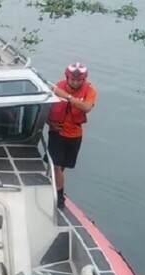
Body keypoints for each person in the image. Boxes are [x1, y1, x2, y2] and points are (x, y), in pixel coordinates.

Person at [46, 62, 97, 208]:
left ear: (84, 79)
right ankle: (59, 198)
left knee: (61, 168)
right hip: (57, 132)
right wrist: (49, 122)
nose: (75, 82)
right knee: (56, 165)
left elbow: (86, 108)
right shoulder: (57, 86)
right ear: (67, 77)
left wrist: (67, 96)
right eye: (72, 79)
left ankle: (56, 184)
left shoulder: (90, 91)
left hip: (74, 135)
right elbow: (48, 107)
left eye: (79, 80)